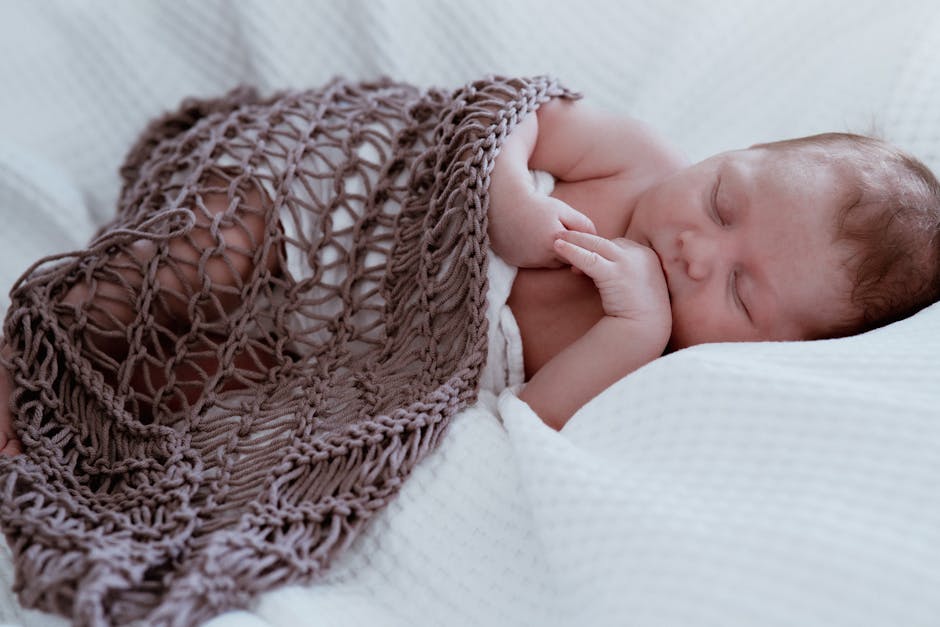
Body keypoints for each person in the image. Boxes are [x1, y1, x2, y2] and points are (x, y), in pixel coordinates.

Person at [1, 97, 938, 451]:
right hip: (314, 212)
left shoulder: (649, 364)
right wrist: (511, 205)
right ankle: (27, 362)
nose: (700, 248)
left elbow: (519, 421)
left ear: (779, 352)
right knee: (194, 266)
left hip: (311, 349)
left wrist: (630, 331)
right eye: (726, 201)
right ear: (739, 144)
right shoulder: (635, 161)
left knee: (192, 399)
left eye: (741, 290)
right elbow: (503, 119)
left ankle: (54, 407)